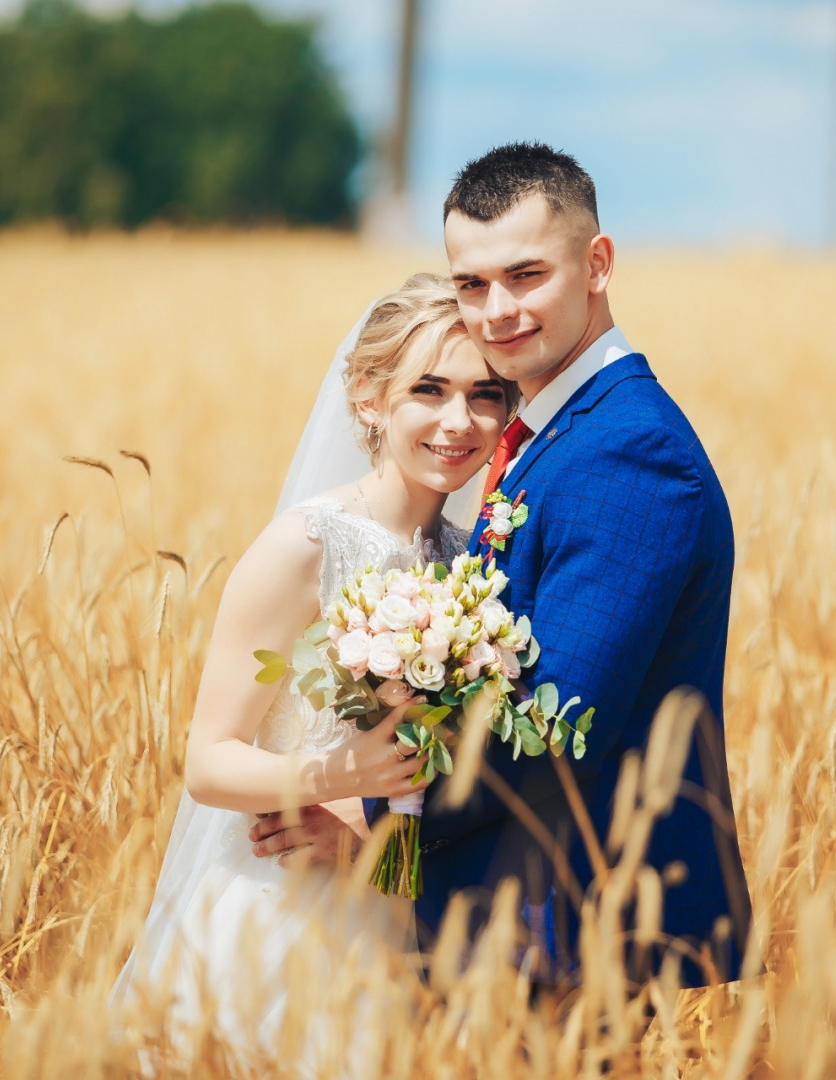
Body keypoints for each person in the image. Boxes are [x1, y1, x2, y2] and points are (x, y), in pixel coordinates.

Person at [260, 144, 755, 991]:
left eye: (526, 275)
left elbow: (556, 734)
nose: (496, 311)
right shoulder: (552, 428)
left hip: (570, 922)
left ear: (596, 264)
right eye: (471, 283)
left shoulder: (627, 451)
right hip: (505, 918)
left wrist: (382, 829)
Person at [110, 273, 517, 1066]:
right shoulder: (305, 546)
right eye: (427, 389)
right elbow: (208, 761)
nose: (458, 420)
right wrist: (339, 776)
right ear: (369, 397)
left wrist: (378, 829)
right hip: (279, 914)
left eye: (486, 394)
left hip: (402, 919)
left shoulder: (471, 563)